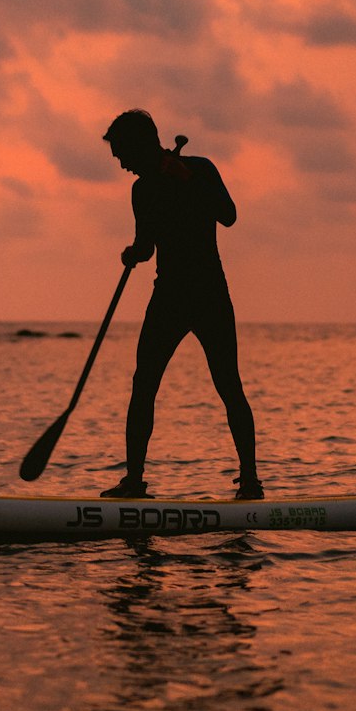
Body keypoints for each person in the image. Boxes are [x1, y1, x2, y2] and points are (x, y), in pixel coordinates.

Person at [100, 109, 262, 501]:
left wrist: (187, 181)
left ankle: (251, 482)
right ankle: (134, 482)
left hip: (208, 292)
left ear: (142, 144)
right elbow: (147, 244)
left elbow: (229, 216)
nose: (121, 163)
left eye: (123, 153)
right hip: (168, 294)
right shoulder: (143, 190)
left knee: (228, 384)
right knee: (144, 384)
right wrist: (133, 253)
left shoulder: (200, 169)